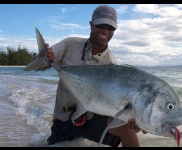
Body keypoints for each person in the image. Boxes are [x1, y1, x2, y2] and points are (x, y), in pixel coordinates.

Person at [37, 5, 145, 147]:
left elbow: (114, 102)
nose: (105, 30)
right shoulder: (70, 44)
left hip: (94, 118)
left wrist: (132, 118)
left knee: (128, 131)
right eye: (101, 25)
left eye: (110, 27)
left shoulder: (112, 64)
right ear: (91, 25)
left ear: (114, 31)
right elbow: (40, 64)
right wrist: (43, 58)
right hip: (65, 118)